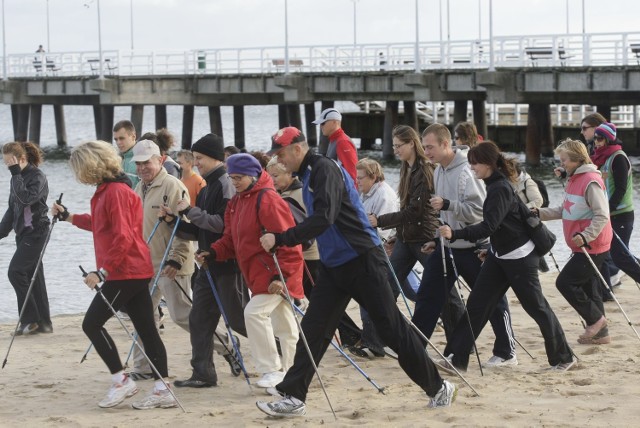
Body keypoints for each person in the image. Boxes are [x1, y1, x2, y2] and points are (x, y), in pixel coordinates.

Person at [255, 127, 456, 417]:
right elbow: (319, 222)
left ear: (298, 149)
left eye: (282, 153)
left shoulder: (324, 169)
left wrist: (281, 238)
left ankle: (438, 387)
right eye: (275, 154)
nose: (279, 160)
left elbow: (325, 217)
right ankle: (293, 396)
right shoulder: (308, 173)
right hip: (334, 265)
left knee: (391, 330)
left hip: (362, 260)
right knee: (313, 329)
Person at [51, 141, 176, 410]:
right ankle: (162, 387)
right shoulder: (107, 190)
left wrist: (102, 271)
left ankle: (122, 381)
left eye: (79, 170)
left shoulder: (115, 192)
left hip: (125, 272)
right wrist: (69, 217)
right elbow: (100, 224)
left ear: (91, 167)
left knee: (91, 324)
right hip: (132, 270)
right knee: (146, 329)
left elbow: (124, 236)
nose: (78, 175)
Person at [438, 141, 574, 372]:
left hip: (520, 257)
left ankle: (564, 357)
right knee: (478, 305)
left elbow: (488, 227)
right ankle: (456, 358)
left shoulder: (500, 188)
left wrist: (454, 234)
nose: (472, 168)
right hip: (499, 255)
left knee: (537, 308)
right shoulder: (493, 185)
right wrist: (488, 249)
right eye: (470, 163)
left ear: (489, 164)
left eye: (475, 163)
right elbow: (500, 227)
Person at [418, 124, 517, 368]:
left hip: (474, 247)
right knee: (428, 296)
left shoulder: (466, 171)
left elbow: (481, 214)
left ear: (445, 144)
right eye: (424, 147)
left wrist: (449, 205)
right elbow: (443, 213)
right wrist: (436, 237)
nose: (426, 152)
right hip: (447, 246)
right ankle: (414, 346)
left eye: (430, 146)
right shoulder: (438, 170)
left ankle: (507, 351)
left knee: (491, 301)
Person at [205, 153, 304, 389]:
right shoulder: (236, 202)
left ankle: (272, 369)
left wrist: (281, 277)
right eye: (231, 177)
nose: (235, 182)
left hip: (276, 273)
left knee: (254, 314)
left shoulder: (268, 200)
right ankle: (293, 371)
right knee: (285, 324)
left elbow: (289, 241)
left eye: (239, 177)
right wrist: (213, 252)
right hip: (257, 273)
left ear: (254, 175)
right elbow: (231, 239)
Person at [160, 133, 248, 388]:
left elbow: (222, 226)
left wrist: (189, 211)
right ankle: (203, 374)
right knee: (199, 319)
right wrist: (173, 222)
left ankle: (285, 348)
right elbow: (201, 232)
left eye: (199, 158)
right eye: (195, 158)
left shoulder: (225, 184)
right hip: (207, 265)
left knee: (239, 319)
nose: (196, 162)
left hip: (227, 264)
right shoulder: (209, 186)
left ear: (214, 158)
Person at [128, 140, 194, 380]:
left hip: (171, 265)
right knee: (143, 316)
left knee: (182, 316)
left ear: (160, 159)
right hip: (145, 265)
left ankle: (227, 346)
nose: (143, 167)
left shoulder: (172, 185)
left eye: (147, 162)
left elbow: (185, 227)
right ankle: (144, 367)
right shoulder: (139, 187)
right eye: (139, 163)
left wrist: (176, 259)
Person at [540, 140, 614, 344]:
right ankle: (601, 334)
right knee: (591, 287)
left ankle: (596, 320)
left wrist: (585, 236)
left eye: (564, 161)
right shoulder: (574, 179)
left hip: (592, 244)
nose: (561, 164)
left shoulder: (590, 180)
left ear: (577, 160)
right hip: (582, 245)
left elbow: (602, 215)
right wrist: (539, 213)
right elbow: (567, 210)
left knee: (565, 282)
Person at [367, 125, 439, 304]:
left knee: (443, 290)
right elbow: (405, 207)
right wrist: (398, 235)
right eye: (394, 146)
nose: (395, 150)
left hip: (424, 237)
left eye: (399, 146)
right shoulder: (405, 168)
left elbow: (415, 211)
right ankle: (379, 331)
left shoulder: (425, 170)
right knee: (387, 288)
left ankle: (457, 327)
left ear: (412, 144)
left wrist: (379, 220)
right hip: (406, 239)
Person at [0, 142, 52, 335]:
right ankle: (44, 324)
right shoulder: (16, 178)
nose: (8, 168)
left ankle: (30, 320)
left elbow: (25, 200)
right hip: (23, 234)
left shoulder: (37, 176)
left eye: (10, 164)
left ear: (21, 159)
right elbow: (13, 208)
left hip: (36, 232)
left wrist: (15, 174)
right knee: (34, 277)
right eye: (5, 165)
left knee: (15, 272)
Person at [352, 157, 399, 358]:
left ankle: (374, 343)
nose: (357, 181)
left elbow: (385, 229)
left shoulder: (384, 195)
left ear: (373, 177)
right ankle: (372, 340)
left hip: (378, 251)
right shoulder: (368, 193)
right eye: (356, 177)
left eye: (361, 178)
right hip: (367, 249)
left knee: (377, 296)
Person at [591, 123, 640, 291]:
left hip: (621, 214)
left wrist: (606, 209)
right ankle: (605, 291)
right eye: (595, 138)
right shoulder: (600, 157)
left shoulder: (618, 157)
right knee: (608, 253)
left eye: (599, 139)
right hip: (607, 213)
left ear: (609, 139)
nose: (596, 142)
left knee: (620, 257)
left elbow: (621, 189)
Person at [266, 155, 320, 299]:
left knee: (319, 302)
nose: (272, 180)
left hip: (308, 257)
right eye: (269, 176)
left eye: (276, 175)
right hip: (311, 254)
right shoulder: (300, 191)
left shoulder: (290, 197)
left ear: (289, 173)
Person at [514, 164, 550, 272]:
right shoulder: (509, 183)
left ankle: (541, 270)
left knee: (534, 248)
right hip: (519, 222)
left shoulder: (527, 182)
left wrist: (520, 209)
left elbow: (538, 201)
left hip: (531, 222)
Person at [312, 107, 358, 185]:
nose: (320, 126)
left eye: (323, 123)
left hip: (344, 194)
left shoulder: (343, 142)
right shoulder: (335, 140)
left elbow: (353, 174)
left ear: (334, 122)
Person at [113, 120, 139, 188]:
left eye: (122, 138)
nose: (118, 142)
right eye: (116, 139)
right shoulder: (115, 160)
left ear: (133, 136)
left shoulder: (142, 159)